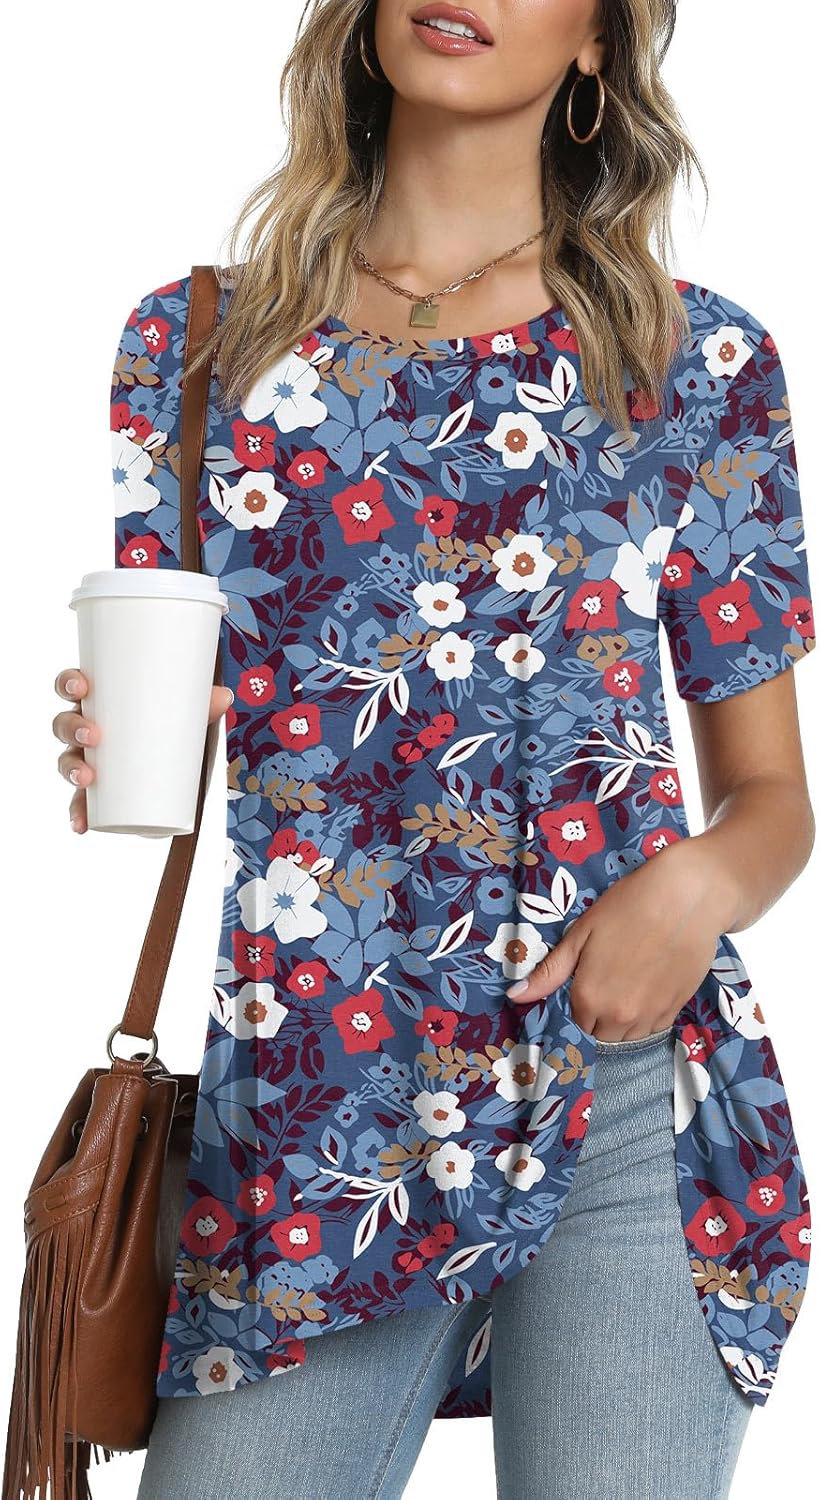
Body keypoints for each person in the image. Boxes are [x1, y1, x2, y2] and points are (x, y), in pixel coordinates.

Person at [51, 2, 815, 1496]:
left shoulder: (691, 360)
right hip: (314, 1120)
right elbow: (198, 703)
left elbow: (775, 797)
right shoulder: (198, 348)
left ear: (600, 41)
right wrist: (122, 741)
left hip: (612, 1093)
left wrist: (694, 889)